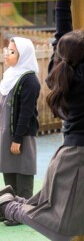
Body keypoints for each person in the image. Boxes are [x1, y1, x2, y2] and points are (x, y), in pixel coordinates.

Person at [0, 0, 84, 241]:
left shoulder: (60, 70)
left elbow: (64, 37)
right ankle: (9, 207)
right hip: (82, 154)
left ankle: (15, 201)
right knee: (61, 226)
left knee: (80, 221)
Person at [0, 37, 40, 226]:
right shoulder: (9, 75)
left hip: (20, 134)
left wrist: (18, 139)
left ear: (23, 55)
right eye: (7, 50)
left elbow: (26, 112)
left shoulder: (29, 80)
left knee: (23, 170)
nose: (7, 54)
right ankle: (8, 208)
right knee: (8, 168)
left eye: (13, 52)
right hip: (6, 131)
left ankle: (24, 212)